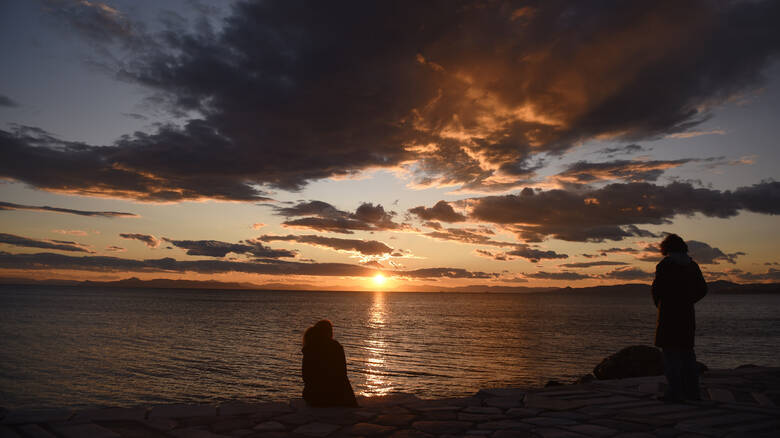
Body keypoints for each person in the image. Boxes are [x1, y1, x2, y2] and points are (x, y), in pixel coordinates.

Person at [651, 234, 708, 402]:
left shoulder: (665, 265)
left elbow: (657, 289)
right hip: (687, 315)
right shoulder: (693, 266)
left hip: (669, 315)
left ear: (666, 248)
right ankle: (693, 393)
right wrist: (688, 301)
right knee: (688, 355)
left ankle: (675, 393)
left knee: (670, 356)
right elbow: (702, 289)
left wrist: (662, 304)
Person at [301, 319, 358, 407]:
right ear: (329, 332)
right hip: (335, 397)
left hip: (314, 397)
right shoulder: (336, 347)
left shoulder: (310, 347)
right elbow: (342, 374)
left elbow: (306, 376)